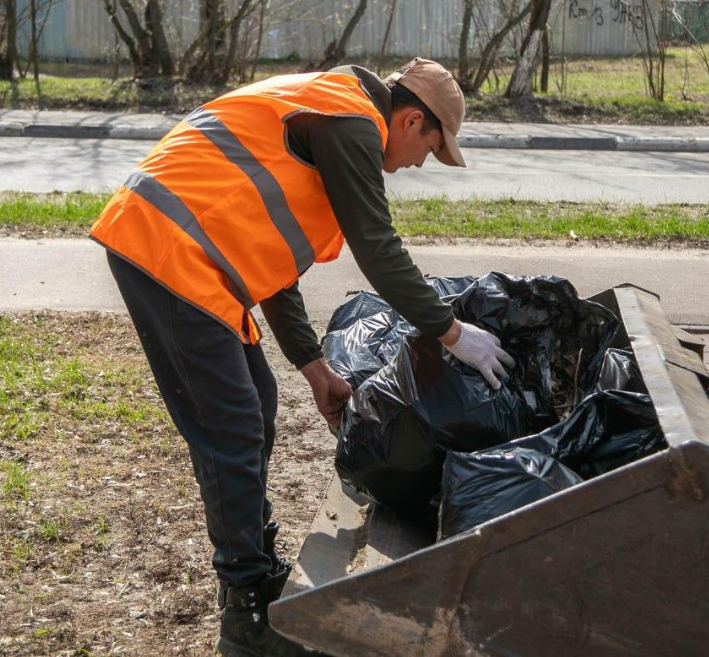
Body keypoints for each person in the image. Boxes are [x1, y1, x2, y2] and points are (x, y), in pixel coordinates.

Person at [89, 57, 515, 656]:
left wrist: (314, 368)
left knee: (255, 405)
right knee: (232, 425)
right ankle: (246, 614)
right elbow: (378, 246)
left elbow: (278, 267)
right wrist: (452, 333)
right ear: (412, 118)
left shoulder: (332, 112)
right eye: (430, 148)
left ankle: (254, 571)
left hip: (196, 257)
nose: (421, 163)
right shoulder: (350, 120)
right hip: (168, 246)